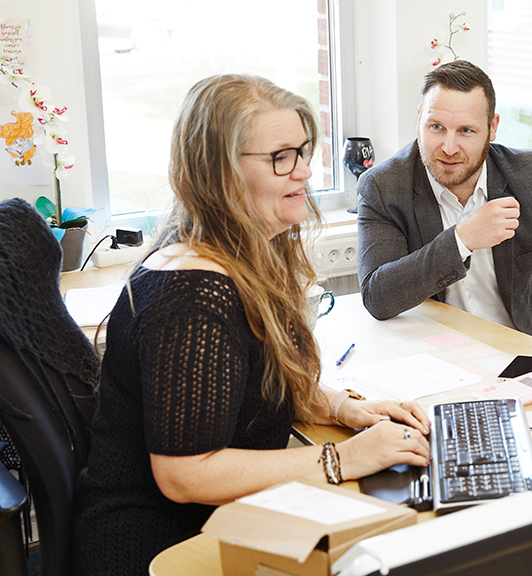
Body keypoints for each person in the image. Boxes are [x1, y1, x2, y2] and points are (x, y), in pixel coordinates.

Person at [72, 74, 431, 576]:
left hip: (215, 521)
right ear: (219, 173)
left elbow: (258, 379)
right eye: (281, 156)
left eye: (304, 151)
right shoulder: (193, 294)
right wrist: (341, 459)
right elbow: (184, 474)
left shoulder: (238, 254)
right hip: (160, 548)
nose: (304, 172)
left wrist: (345, 407)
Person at [356, 60, 532, 347]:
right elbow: (378, 297)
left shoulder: (529, 174)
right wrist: (461, 239)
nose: (449, 147)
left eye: (466, 131)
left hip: (526, 349)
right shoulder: (384, 186)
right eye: (436, 127)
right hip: (439, 358)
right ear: (419, 120)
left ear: (492, 128)